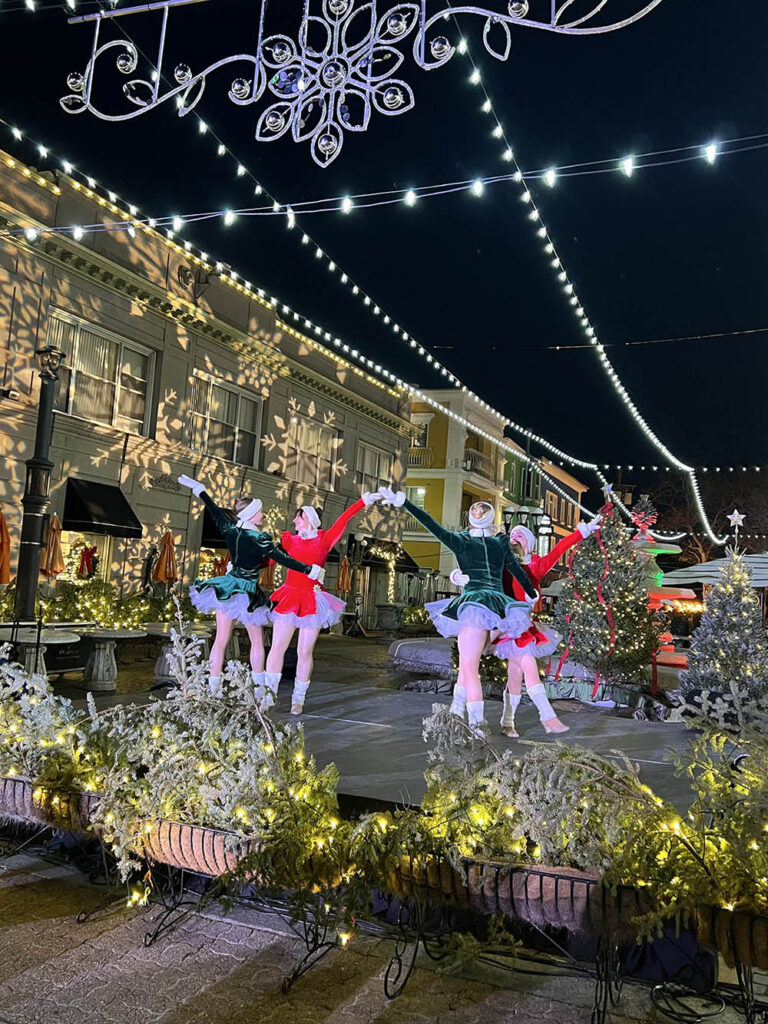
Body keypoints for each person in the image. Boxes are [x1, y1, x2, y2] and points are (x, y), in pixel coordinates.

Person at [379, 488, 536, 738]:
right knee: (465, 664)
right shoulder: (499, 543)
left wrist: (404, 502)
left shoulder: (462, 541)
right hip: (499, 608)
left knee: (469, 666)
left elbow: (432, 525)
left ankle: (477, 726)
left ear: (472, 519)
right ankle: (456, 711)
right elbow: (516, 570)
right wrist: (531, 594)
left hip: (474, 606)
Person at [178, 475, 324, 699]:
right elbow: (280, 558)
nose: (263, 515)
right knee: (256, 641)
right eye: (261, 511)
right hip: (247, 592)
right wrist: (308, 570)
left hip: (226, 587)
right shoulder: (260, 538)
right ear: (253, 515)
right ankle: (258, 692)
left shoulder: (230, 529)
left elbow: (215, 510)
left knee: (220, 639)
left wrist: (201, 490)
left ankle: (212, 690)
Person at [455, 514, 601, 737]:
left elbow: (559, 549)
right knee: (468, 665)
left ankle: (510, 721)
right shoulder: (501, 561)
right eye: (512, 534)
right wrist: (459, 575)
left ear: (528, 544)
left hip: (520, 628)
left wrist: (581, 532)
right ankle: (457, 716)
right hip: (497, 622)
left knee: (520, 673)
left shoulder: (535, 565)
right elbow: (477, 566)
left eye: (520, 536)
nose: (514, 537)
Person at [265, 491, 381, 713]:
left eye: (298, 517)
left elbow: (344, 518)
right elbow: (271, 558)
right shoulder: (289, 540)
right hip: (289, 596)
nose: (294, 521)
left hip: (312, 599)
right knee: (277, 647)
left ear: (307, 519)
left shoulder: (324, 539)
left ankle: (298, 699)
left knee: (304, 651)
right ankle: (268, 696)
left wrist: (364, 500)